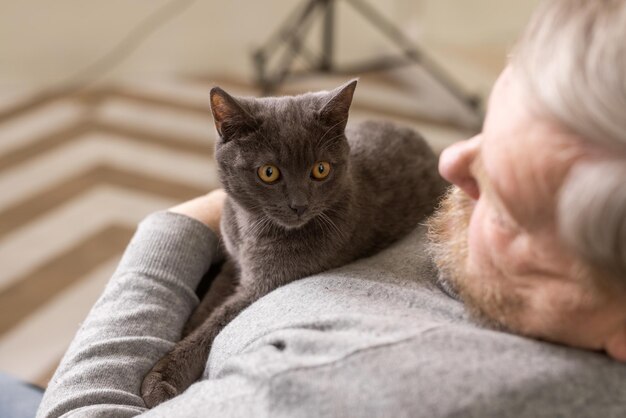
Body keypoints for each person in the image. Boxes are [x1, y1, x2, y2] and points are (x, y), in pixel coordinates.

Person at [30, 0, 626, 417]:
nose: (452, 166)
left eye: (503, 199)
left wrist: (177, 228)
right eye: (485, 131)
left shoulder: (328, 386)